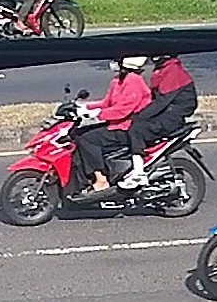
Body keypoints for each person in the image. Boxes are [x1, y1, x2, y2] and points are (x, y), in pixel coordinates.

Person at [71, 57, 152, 197]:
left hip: (127, 128)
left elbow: (123, 110)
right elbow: (106, 102)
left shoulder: (133, 81)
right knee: (76, 135)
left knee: (87, 139)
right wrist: (85, 107)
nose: (113, 64)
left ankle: (101, 179)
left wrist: (98, 114)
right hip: (116, 124)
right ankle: (84, 179)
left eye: (117, 61)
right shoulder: (117, 80)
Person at [117, 55, 198, 190]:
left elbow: (161, 102)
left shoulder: (173, 73)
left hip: (171, 118)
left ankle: (138, 173)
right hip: (168, 113)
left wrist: (139, 116)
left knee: (137, 130)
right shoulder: (164, 70)